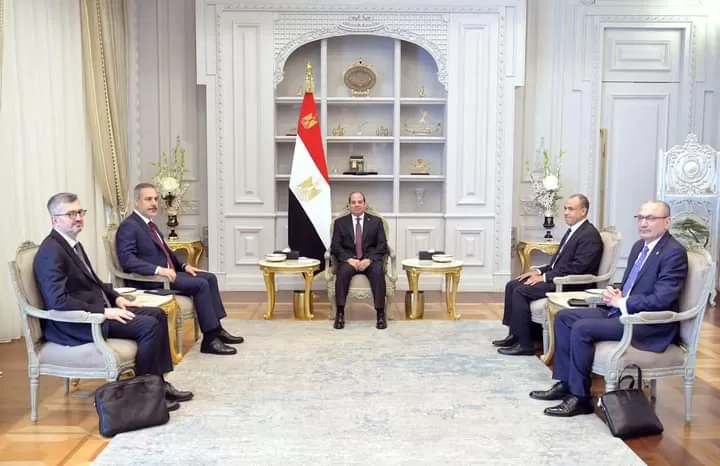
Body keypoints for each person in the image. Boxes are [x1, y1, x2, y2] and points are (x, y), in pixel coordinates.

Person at [34, 192, 192, 412]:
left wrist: (116, 298)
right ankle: (143, 395)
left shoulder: (71, 245)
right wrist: (104, 311)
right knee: (148, 326)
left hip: (96, 311)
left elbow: (94, 282)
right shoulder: (51, 252)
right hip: (77, 323)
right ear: (55, 220)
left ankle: (158, 385)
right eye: (71, 214)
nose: (78, 218)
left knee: (157, 314)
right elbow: (58, 301)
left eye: (80, 212)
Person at [530, 200, 688, 417]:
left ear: (667, 222)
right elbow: (633, 284)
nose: (643, 223)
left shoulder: (673, 253)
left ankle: (580, 399)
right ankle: (566, 384)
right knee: (565, 317)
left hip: (647, 323)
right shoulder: (639, 247)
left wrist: (622, 302)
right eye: (640, 217)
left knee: (582, 328)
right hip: (622, 311)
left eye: (651, 218)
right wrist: (615, 291)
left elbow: (662, 299)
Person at [116, 183, 244, 356]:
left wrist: (184, 266)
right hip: (151, 281)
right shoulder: (129, 226)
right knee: (200, 285)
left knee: (209, 277)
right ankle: (209, 340)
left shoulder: (150, 225)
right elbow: (127, 260)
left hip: (168, 274)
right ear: (137, 202)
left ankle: (217, 330)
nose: (154, 203)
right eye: (148, 199)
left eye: (156, 199)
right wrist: (158, 270)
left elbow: (167, 252)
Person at [495, 194, 604, 355]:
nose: (566, 212)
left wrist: (545, 278)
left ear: (583, 211)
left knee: (521, 291)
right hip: (558, 277)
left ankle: (525, 344)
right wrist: (538, 271)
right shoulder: (573, 231)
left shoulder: (589, 235)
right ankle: (515, 335)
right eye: (565, 208)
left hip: (571, 284)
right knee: (512, 284)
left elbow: (578, 268)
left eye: (571, 209)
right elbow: (556, 264)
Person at [330, 191, 388, 330]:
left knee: (378, 272)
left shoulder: (376, 222)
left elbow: (382, 245)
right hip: (349, 260)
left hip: (370, 259)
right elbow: (335, 246)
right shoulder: (340, 223)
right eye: (353, 202)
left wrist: (369, 259)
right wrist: (348, 259)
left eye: (360, 202)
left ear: (365, 204)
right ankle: (340, 313)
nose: (357, 205)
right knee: (342, 273)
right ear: (349, 205)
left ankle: (380, 314)